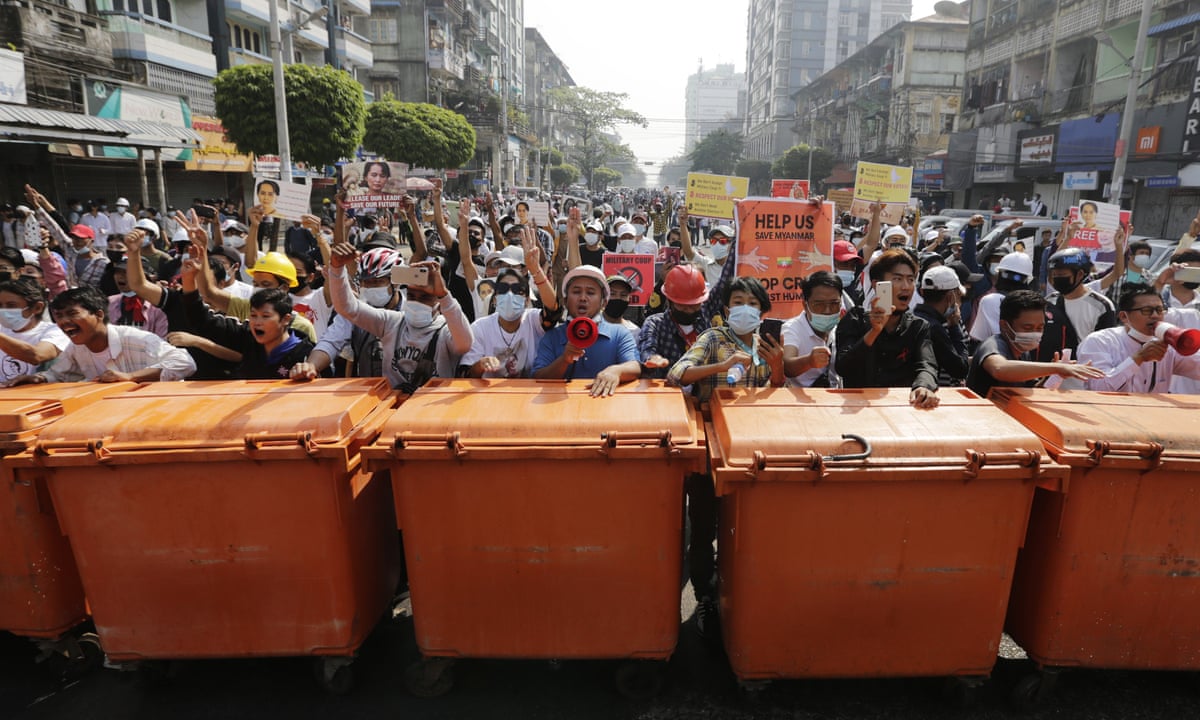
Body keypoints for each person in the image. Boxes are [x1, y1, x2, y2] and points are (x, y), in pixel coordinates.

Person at [324, 234, 472, 393]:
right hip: (392, 406)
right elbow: (347, 308)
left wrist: (445, 296)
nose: (417, 302)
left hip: (431, 410)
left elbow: (465, 343)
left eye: (425, 297)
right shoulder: (391, 322)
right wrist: (337, 269)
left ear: (438, 301)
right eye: (412, 296)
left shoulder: (445, 330)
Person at [7, 286, 195, 384]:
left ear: (98, 314)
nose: (63, 322)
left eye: (72, 314)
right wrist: (38, 378)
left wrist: (131, 377)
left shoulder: (135, 339)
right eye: (58, 316)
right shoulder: (76, 349)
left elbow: (185, 362)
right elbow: (58, 375)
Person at [835, 248, 940, 408]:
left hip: (901, 410)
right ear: (878, 285)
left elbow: (927, 365)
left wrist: (923, 386)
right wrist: (874, 332)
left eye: (911, 280)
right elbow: (843, 367)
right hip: (858, 410)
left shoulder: (918, 326)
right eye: (897, 279)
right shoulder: (855, 319)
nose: (906, 286)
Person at [965, 290, 1104, 397]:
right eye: (1027, 328)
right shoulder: (993, 345)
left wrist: (1053, 376)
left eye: (1040, 328)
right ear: (1004, 326)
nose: (1035, 333)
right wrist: (1055, 368)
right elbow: (999, 368)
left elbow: (1031, 392)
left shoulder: (1023, 353)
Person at [667, 276, 786, 400]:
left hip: (751, 415)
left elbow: (772, 394)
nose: (745, 309)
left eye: (752, 303)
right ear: (727, 311)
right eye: (738, 302)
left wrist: (777, 367)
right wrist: (723, 366)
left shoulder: (764, 348)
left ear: (761, 313)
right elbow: (675, 375)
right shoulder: (713, 338)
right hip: (713, 415)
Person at [532, 265, 640, 396]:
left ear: (603, 303)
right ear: (565, 301)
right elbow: (538, 377)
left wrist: (616, 371)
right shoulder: (552, 336)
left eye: (590, 293)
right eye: (576, 292)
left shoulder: (620, 334)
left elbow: (635, 367)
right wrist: (564, 360)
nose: (583, 298)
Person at [1077, 282, 1200, 393]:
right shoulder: (1100, 341)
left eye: (1159, 310)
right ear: (1124, 316)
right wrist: (1138, 358)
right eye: (1147, 310)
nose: (1155, 316)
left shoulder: (1167, 344)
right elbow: (1098, 388)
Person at [183, 284, 314, 380]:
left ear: (285, 319)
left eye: (265, 316)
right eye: (253, 315)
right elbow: (203, 321)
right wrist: (189, 279)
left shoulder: (306, 355)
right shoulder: (246, 336)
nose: (257, 322)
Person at [459, 267, 560, 378]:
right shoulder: (480, 328)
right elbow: (465, 374)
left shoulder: (533, 321)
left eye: (517, 290)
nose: (509, 295)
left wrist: (536, 269)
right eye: (503, 289)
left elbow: (553, 312)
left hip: (529, 392)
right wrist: (480, 365)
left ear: (527, 301)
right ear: (494, 299)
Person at [1039, 247, 1117, 362]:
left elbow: (1104, 348)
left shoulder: (1101, 306)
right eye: (1054, 275)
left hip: (1082, 375)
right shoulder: (1049, 301)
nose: (1057, 279)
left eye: (1061, 274)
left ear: (1080, 274)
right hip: (1049, 374)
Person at [0, 277, 69, 384]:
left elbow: (38, 355)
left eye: (11, 306)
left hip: (38, 396)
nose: (3, 310)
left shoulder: (55, 331)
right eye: (0, 306)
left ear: (37, 307)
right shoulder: (2, 329)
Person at [781, 271, 844, 387]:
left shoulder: (842, 327)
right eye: (819, 304)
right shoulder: (792, 329)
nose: (827, 311)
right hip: (802, 400)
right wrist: (808, 361)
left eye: (834, 304)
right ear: (805, 305)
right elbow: (787, 365)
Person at [915, 265, 970, 386]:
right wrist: (954, 327)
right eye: (958, 296)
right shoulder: (934, 328)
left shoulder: (913, 317)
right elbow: (960, 369)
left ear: (922, 292)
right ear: (951, 297)